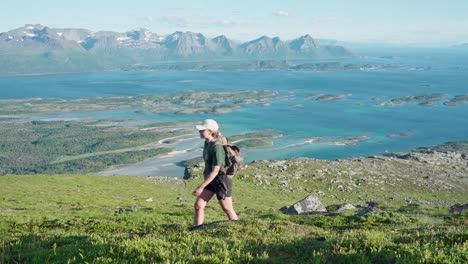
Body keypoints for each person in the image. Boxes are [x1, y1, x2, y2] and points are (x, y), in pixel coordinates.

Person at [191, 119, 238, 229]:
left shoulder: (217, 147)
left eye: (202, 130)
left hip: (221, 180)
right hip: (211, 180)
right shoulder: (207, 144)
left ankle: (238, 228)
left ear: (210, 131)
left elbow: (215, 170)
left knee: (227, 209)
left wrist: (201, 187)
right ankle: (197, 229)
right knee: (198, 205)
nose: (200, 132)